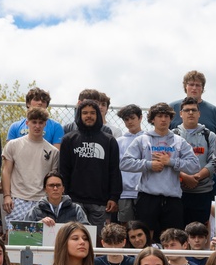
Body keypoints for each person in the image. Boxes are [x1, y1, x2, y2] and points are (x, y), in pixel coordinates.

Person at [119, 102, 200, 240]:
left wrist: (171, 162)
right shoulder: (143, 140)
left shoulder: (179, 141)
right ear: (152, 119)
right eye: (160, 116)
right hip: (148, 198)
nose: (163, 119)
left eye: (167, 116)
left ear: (171, 119)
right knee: (147, 239)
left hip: (172, 199)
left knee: (173, 239)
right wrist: (149, 165)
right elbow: (124, 163)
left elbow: (195, 166)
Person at [59, 99, 122, 231]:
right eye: (85, 113)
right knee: (75, 237)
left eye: (92, 113)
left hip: (101, 202)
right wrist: (65, 196)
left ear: (98, 115)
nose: (89, 116)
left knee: (98, 241)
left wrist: (114, 197)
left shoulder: (109, 140)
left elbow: (114, 171)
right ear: (79, 115)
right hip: (74, 201)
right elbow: (64, 171)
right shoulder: (69, 139)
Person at [1, 107, 60, 226]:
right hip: (18, 199)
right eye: (34, 122)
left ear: (45, 124)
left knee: (41, 238)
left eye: (40, 122)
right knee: (13, 236)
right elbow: (6, 171)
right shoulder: (13, 145)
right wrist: (7, 196)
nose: (37, 126)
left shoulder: (53, 151)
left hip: (42, 199)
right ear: (27, 123)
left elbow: (53, 179)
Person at [174, 96, 216, 230]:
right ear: (181, 114)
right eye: (187, 110)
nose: (191, 113)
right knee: (179, 232)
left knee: (200, 234)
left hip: (203, 192)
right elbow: (169, 162)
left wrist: (197, 177)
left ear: (199, 114)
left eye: (194, 110)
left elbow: (215, 161)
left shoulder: (209, 136)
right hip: (178, 192)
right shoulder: (173, 136)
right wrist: (185, 177)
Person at [170, 70, 216, 135]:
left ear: (202, 88)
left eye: (198, 85)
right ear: (185, 86)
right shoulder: (172, 109)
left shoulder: (214, 112)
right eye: (191, 84)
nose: (194, 88)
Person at [116, 104, 144, 224]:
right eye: (126, 119)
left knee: (144, 225)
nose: (130, 122)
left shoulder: (148, 138)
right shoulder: (119, 141)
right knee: (125, 225)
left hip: (144, 191)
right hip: (124, 192)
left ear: (140, 118)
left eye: (132, 118)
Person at [24, 172, 89, 225]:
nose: (55, 188)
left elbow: (87, 231)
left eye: (58, 185)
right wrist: (39, 225)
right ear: (45, 189)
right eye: (51, 185)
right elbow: (23, 231)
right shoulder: (35, 210)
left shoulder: (76, 209)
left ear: (63, 188)